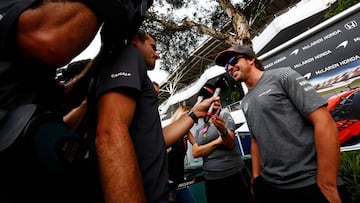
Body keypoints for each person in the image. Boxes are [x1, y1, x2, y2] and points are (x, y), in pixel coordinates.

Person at [0, 0, 154, 202]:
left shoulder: (28, 73)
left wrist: (105, 53)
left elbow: (65, 97)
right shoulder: (17, 11)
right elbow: (49, 41)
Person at [86, 29, 221, 203]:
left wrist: (195, 113)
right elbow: (110, 134)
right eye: (153, 47)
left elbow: (156, 139)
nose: (157, 55)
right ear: (135, 41)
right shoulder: (129, 56)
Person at [214, 45, 351, 203]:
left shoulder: (282, 76)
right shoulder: (245, 101)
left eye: (233, 60)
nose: (230, 67)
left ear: (251, 59)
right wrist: (257, 178)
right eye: (226, 66)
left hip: (310, 182)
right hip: (273, 187)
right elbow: (255, 140)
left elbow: (324, 122)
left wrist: (327, 182)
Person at [189, 101, 253, 203]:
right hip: (211, 179)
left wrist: (223, 132)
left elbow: (230, 143)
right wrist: (218, 141)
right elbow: (195, 152)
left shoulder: (224, 115)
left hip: (233, 174)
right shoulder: (200, 127)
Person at [167, 106, 197, 203]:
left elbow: (197, 146)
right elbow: (161, 161)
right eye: (186, 116)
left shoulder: (185, 134)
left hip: (180, 183)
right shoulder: (171, 136)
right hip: (169, 187)